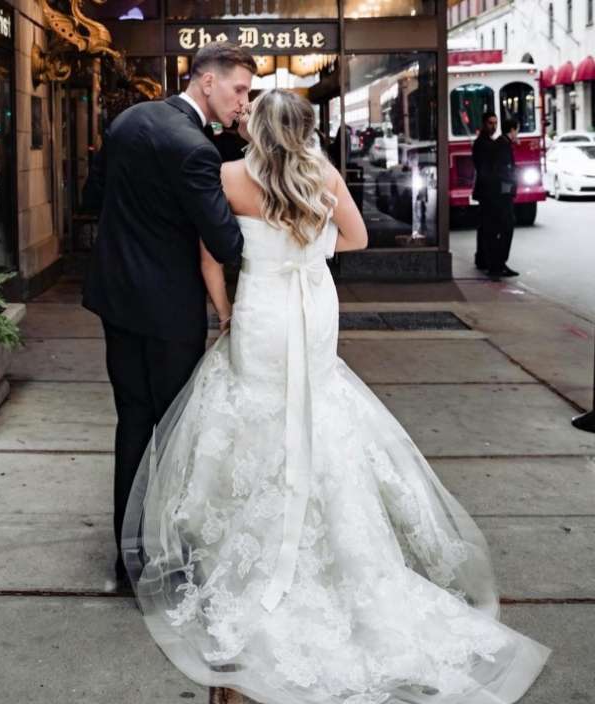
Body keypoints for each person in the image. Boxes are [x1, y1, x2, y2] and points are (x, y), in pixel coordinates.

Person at [121, 89, 551, 704]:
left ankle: (253, 553)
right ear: (303, 129)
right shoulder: (320, 172)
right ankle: (340, 554)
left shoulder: (229, 175)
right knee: (319, 406)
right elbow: (357, 240)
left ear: (256, 129)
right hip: (313, 308)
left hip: (263, 311)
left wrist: (226, 314)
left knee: (255, 411)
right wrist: (310, 249)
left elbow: (210, 258)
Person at [82, 42, 257, 590]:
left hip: (116, 298)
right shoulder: (197, 150)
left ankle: (127, 560)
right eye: (239, 90)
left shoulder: (129, 120)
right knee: (178, 432)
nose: (243, 103)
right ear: (207, 82)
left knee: (133, 421)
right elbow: (226, 241)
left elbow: (94, 197)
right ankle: (168, 557)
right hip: (169, 310)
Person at [487, 118, 520, 279]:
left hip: (500, 193)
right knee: (505, 227)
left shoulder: (501, 143)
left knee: (502, 228)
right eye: (517, 130)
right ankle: (497, 265)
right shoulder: (503, 145)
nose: (517, 134)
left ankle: (499, 264)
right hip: (502, 194)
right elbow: (503, 170)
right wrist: (512, 182)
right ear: (512, 130)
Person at [471, 111, 498, 270]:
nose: (493, 126)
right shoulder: (482, 143)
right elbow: (484, 168)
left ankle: (482, 257)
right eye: (490, 123)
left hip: (485, 190)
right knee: (487, 226)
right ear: (483, 124)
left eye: (495, 123)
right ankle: (484, 258)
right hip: (487, 191)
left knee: (484, 225)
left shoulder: (486, 141)